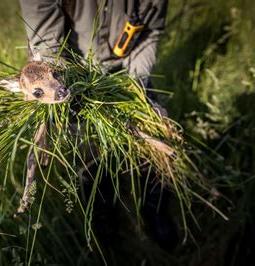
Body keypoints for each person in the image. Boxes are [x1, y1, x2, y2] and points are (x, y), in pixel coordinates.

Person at [19, 0, 176, 252]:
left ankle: (154, 207)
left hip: (127, 74)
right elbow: (47, 43)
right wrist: (64, 87)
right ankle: (104, 217)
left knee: (156, 133)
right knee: (90, 155)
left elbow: (149, 33)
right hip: (71, 77)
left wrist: (139, 88)